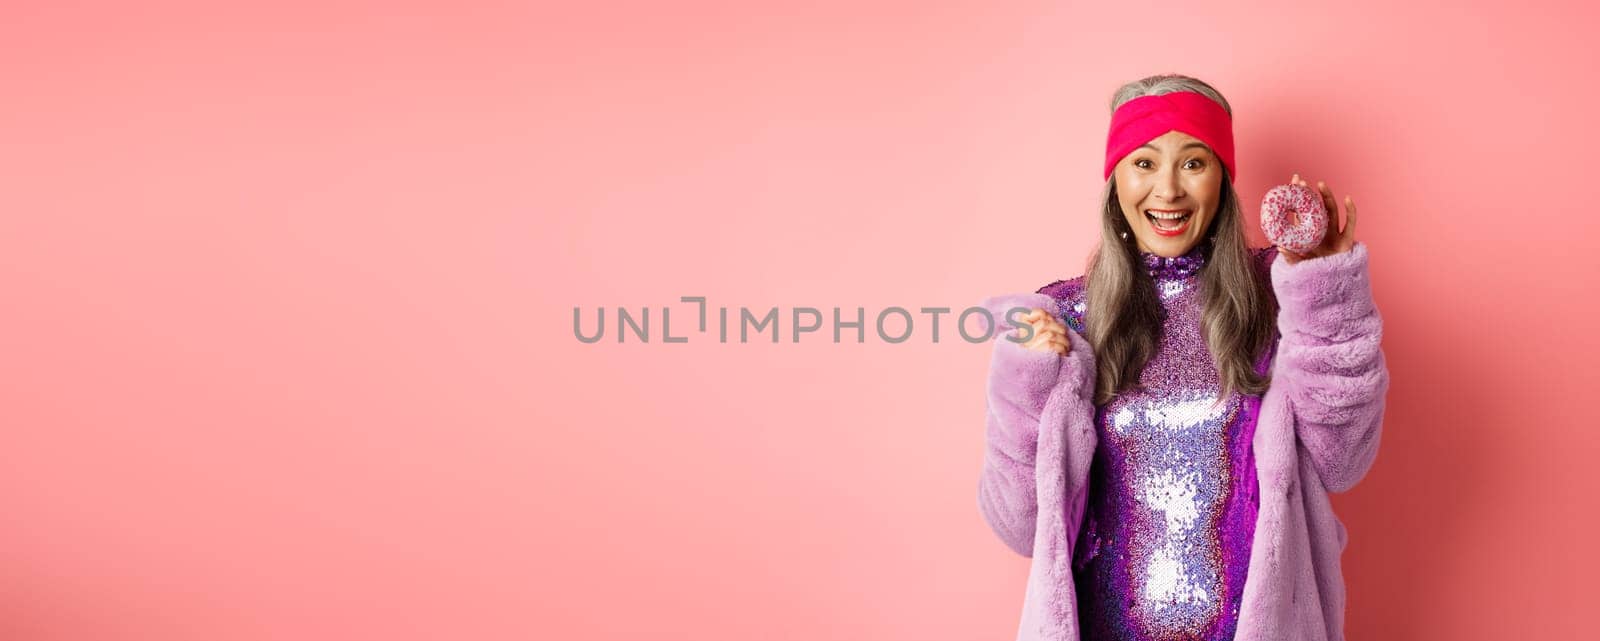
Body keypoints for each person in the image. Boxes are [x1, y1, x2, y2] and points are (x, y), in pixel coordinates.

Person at [976, 74, 1390, 641]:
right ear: (1115, 179)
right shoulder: (1066, 316)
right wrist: (1026, 381)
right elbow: (1025, 527)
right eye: (1144, 163)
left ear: (1222, 177)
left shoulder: (1278, 291)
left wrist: (1325, 291)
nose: (1167, 190)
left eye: (1193, 162)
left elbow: (1343, 459)